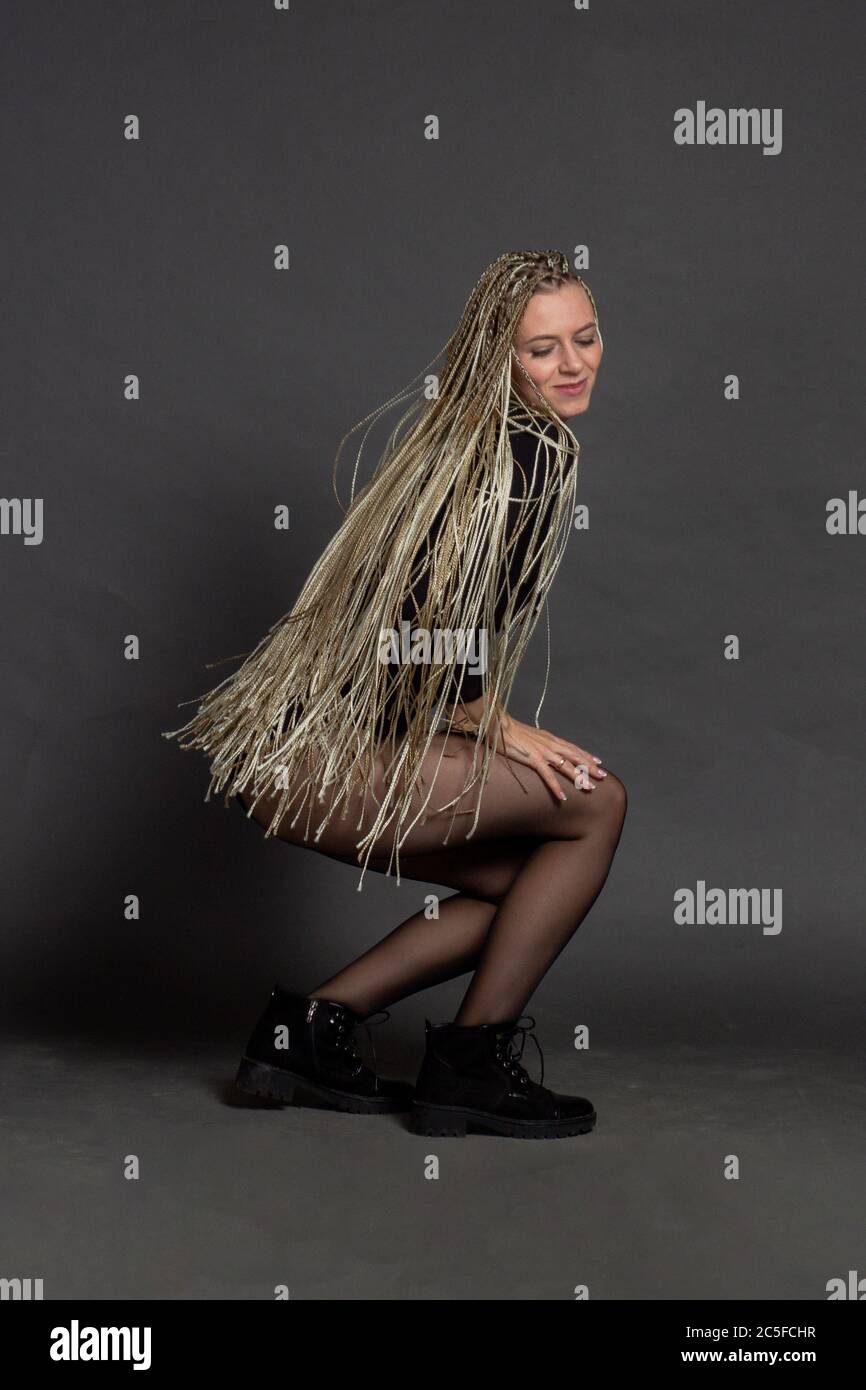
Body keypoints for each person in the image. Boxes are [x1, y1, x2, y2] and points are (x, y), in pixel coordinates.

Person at [163, 249, 627, 1139]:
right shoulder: (520, 454)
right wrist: (482, 717)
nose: (573, 365)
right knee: (597, 806)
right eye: (542, 350)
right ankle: (468, 1066)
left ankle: (306, 1033)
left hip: (298, 759)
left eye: (587, 337)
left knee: (532, 883)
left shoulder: (469, 443)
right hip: (323, 759)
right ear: (499, 359)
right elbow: (417, 612)